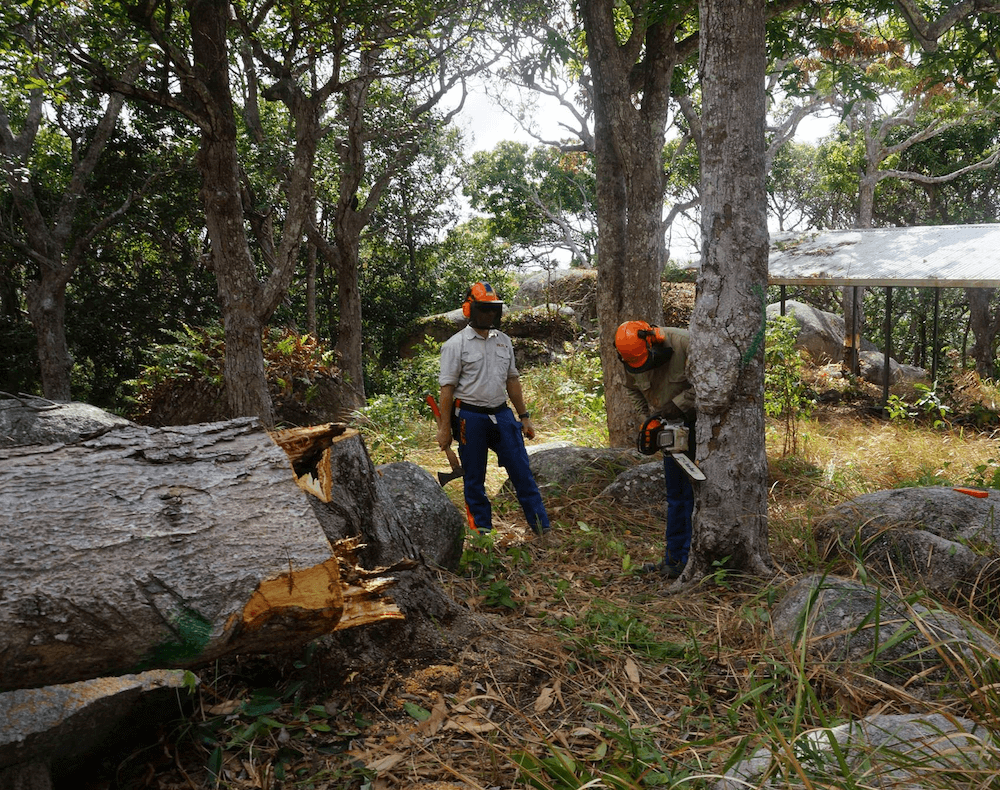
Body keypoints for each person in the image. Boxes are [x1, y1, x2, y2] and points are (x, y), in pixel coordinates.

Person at [436, 282, 551, 539]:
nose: (489, 315)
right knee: (474, 480)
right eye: (484, 309)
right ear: (470, 309)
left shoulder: (504, 342)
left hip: (502, 415)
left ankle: (543, 531)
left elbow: (512, 380)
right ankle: (482, 538)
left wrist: (524, 417)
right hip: (470, 417)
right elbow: (447, 389)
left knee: (522, 473)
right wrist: (444, 428)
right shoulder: (456, 345)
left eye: (493, 310)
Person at [614, 320, 697, 579]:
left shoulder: (686, 343)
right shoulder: (630, 357)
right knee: (676, 497)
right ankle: (673, 559)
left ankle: (691, 556)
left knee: (695, 495)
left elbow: (711, 382)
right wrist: (648, 418)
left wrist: (679, 404)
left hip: (699, 425)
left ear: (653, 340)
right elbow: (630, 387)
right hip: (668, 430)